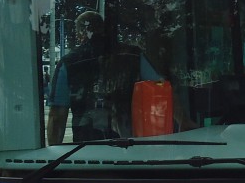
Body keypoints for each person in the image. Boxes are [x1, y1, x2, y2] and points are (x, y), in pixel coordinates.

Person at [47, 11, 164, 144]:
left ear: (80, 33)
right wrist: (184, 120)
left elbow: (57, 116)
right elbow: (161, 89)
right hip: (129, 143)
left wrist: (53, 155)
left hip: (87, 147)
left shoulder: (68, 63)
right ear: (103, 29)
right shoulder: (134, 55)